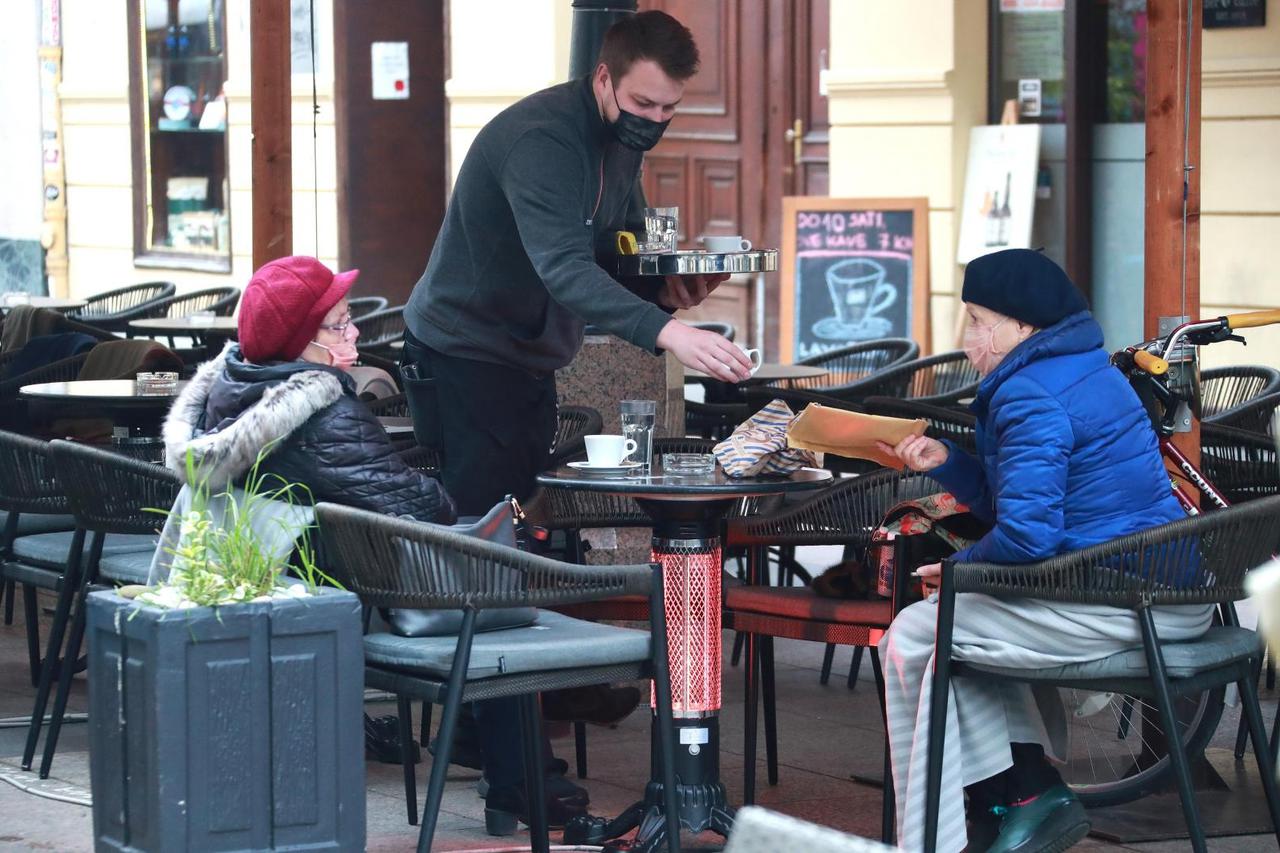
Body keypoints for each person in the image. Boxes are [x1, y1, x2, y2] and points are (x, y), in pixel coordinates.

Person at [399, 10, 750, 833]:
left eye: (668, 110)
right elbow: (561, 266)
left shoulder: (617, 140)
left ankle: (501, 745)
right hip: (463, 354)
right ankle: (516, 780)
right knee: (492, 559)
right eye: (642, 104)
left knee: (516, 550)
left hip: (523, 361)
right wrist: (668, 332)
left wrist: (670, 287)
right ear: (603, 79)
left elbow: (608, 253)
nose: (654, 123)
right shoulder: (542, 142)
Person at [874, 249, 1211, 853]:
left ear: (1022, 326)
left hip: (1126, 600)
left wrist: (955, 570)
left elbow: (1029, 538)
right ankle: (1020, 797)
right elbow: (1023, 507)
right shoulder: (1083, 366)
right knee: (947, 629)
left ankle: (973, 821)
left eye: (977, 320)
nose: (968, 335)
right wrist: (949, 463)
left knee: (916, 633)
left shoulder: (1028, 393)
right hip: (1167, 590)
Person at [162, 255, 458, 765]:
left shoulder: (230, 390)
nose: (355, 331)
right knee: (510, 582)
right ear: (299, 341)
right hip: (328, 598)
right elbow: (426, 512)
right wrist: (440, 488)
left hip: (252, 598)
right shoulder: (327, 414)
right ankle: (516, 754)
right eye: (339, 324)